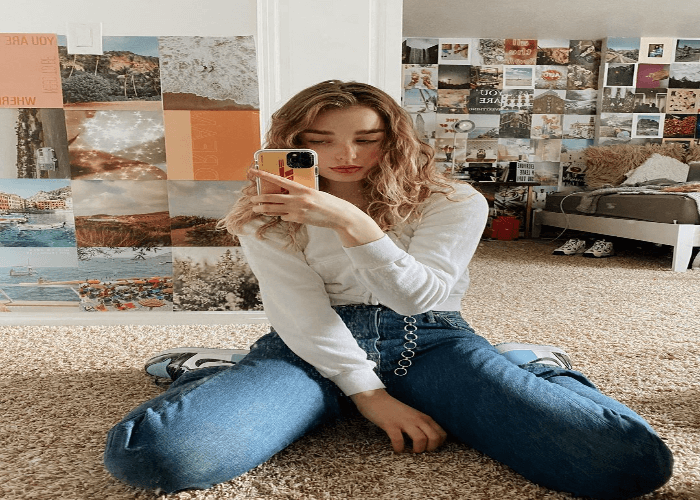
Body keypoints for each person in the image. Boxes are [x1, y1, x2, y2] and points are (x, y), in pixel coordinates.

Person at [103, 80, 673, 499]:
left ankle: (537, 366)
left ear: (395, 139)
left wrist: (355, 225)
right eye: (318, 141)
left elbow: (417, 299)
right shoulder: (263, 212)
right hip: (310, 345)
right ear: (290, 143)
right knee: (154, 458)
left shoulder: (453, 201)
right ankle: (214, 371)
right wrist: (367, 394)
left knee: (628, 465)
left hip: (432, 339)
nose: (345, 158)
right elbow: (299, 310)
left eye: (367, 140)